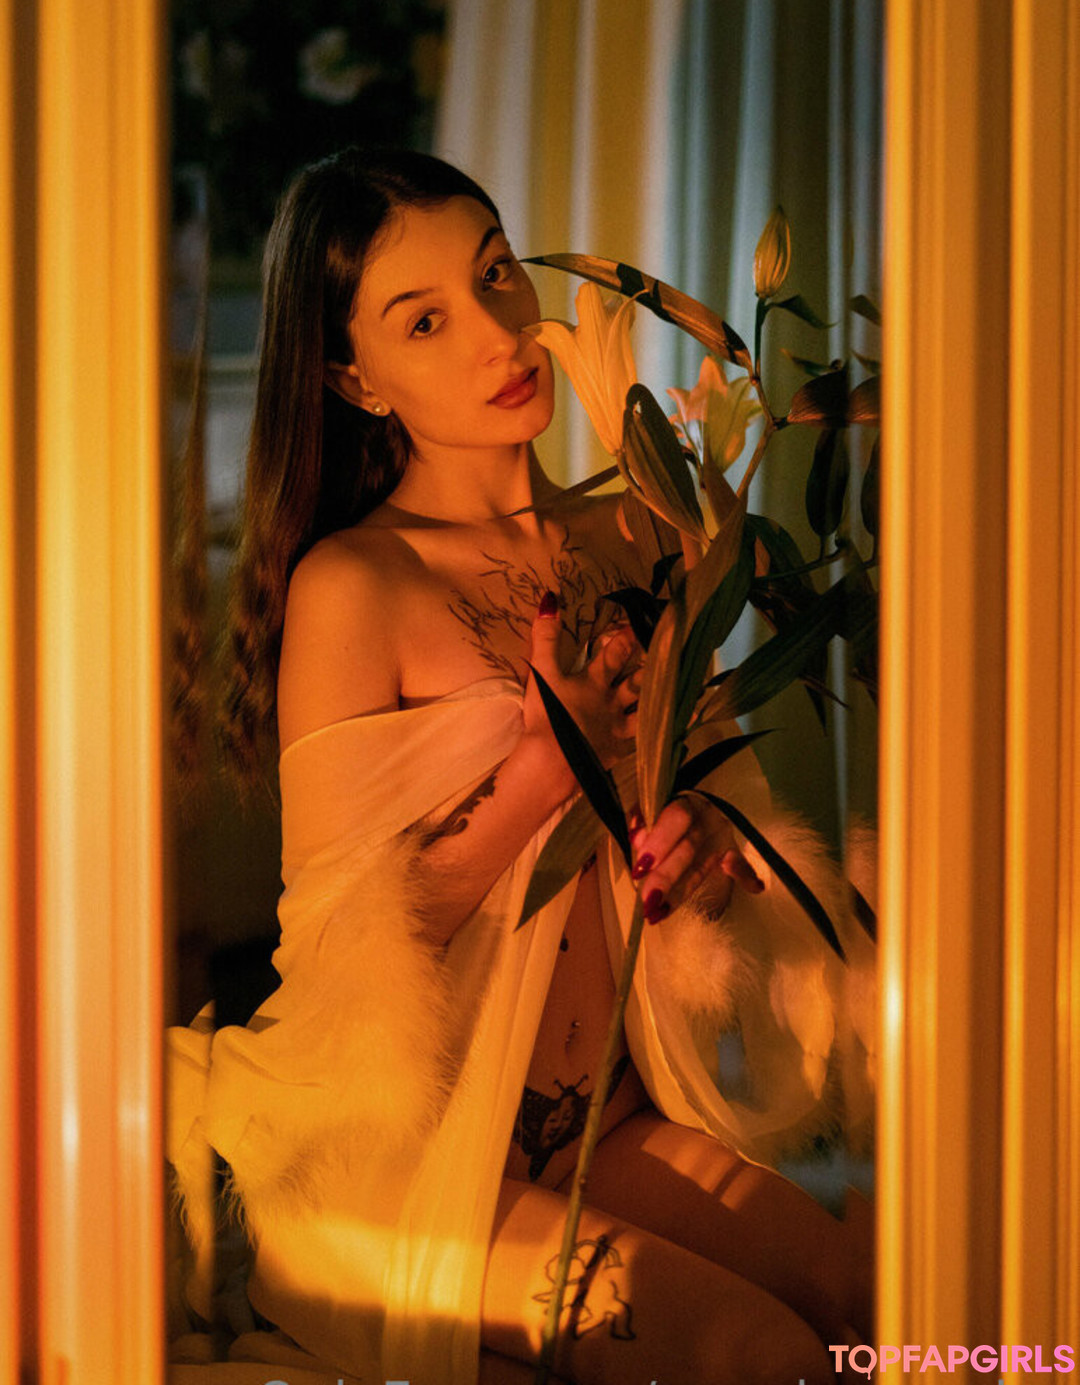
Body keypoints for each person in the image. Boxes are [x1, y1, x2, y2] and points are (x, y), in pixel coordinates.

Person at [168, 147, 872, 1385]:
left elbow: (715, 844)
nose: (498, 331)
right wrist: (544, 773)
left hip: (603, 1120)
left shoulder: (640, 529)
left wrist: (700, 855)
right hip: (396, 1164)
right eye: (424, 320)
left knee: (877, 1301)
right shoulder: (358, 583)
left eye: (496, 272)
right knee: (766, 1354)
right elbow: (345, 958)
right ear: (352, 377)